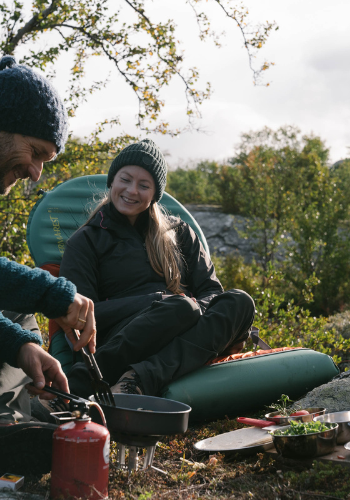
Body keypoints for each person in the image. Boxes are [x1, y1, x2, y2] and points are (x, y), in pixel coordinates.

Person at [0, 55, 96, 471]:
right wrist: (52, 293)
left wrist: (21, 347)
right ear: (1, 122)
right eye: (36, 153)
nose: (36, 173)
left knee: (19, 323)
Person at [47, 138, 255, 404]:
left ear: (155, 193)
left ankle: (136, 380)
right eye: (126, 179)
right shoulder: (86, 241)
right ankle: (81, 383)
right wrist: (154, 302)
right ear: (112, 181)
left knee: (240, 302)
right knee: (180, 308)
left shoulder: (179, 232)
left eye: (144, 185)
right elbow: (82, 313)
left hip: (187, 327)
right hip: (127, 335)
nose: (132, 191)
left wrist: (188, 307)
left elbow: (211, 290)